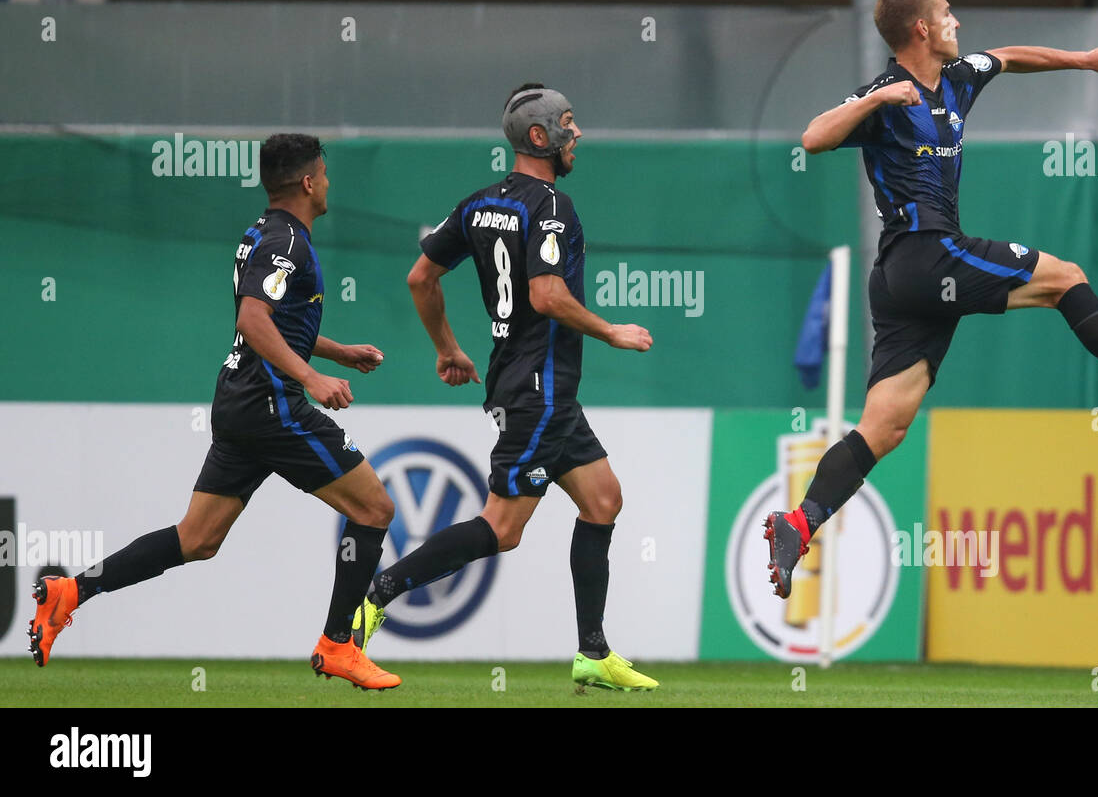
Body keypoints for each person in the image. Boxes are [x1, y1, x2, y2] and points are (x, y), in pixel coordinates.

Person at [765, 0, 1098, 598]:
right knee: (1066, 278)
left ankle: (799, 521)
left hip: (902, 281)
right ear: (920, 29)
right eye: (947, 14)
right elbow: (813, 138)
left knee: (885, 427)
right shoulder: (885, 94)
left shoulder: (957, 79)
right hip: (926, 257)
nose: (958, 23)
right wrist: (873, 102)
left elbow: (1010, 56)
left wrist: (1084, 60)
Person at [29, 134, 402, 690]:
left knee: (196, 539)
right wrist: (310, 377)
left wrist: (336, 351)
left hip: (239, 402)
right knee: (374, 508)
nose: (327, 183)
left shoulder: (262, 232)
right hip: (272, 402)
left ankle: (70, 592)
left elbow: (273, 320)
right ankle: (338, 644)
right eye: (323, 174)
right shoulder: (289, 242)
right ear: (306, 181)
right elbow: (253, 320)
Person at [351, 83, 659, 691]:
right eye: (569, 124)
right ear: (539, 138)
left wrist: (447, 349)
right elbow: (546, 295)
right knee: (503, 527)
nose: (578, 135)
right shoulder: (552, 205)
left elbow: (421, 277)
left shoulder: (478, 204)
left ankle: (593, 654)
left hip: (525, 381)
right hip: (538, 386)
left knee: (602, 500)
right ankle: (376, 595)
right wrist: (610, 332)